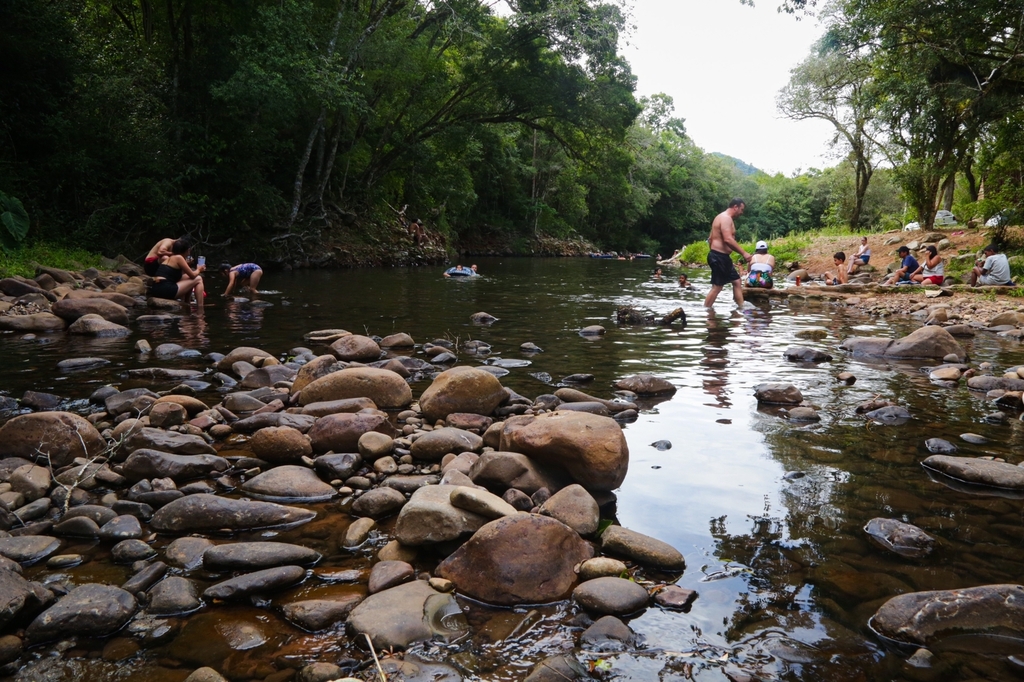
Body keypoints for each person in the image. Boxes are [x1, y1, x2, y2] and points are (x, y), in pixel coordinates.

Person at [704, 199, 752, 307]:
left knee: (736, 281)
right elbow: (728, 239)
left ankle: (741, 307)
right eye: (741, 209)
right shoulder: (726, 218)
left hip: (721, 256)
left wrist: (713, 252)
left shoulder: (721, 217)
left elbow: (710, 238)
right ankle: (706, 312)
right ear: (735, 207)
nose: (742, 212)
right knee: (717, 287)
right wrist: (744, 253)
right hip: (719, 256)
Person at [148, 238, 205, 303]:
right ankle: (200, 309)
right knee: (198, 279)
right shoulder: (179, 258)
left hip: (156, 288)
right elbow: (193, 275)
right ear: (188, 250)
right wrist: (199, 269)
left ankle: (187, 304)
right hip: (165, 289)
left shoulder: (170, 258)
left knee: (188, 278)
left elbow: (182, 276)